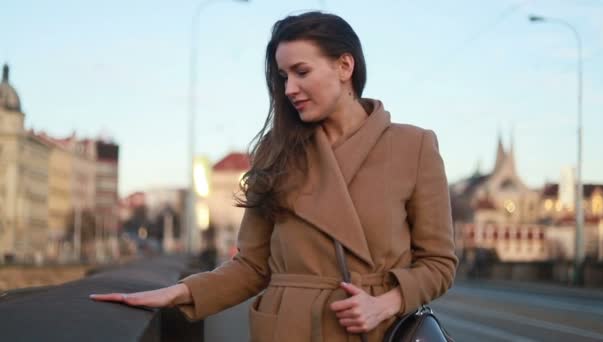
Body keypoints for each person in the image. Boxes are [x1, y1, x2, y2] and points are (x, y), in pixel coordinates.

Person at [90, 11, 458, 342]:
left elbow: (439, 263)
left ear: (345, 66)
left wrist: (388, 302)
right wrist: (180, 293)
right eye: (283, 77)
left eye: (301, 72)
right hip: (289, 330)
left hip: (371, 330)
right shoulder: (277, 149)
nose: (288, 90)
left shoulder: (414, 146)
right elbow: (252, 265)